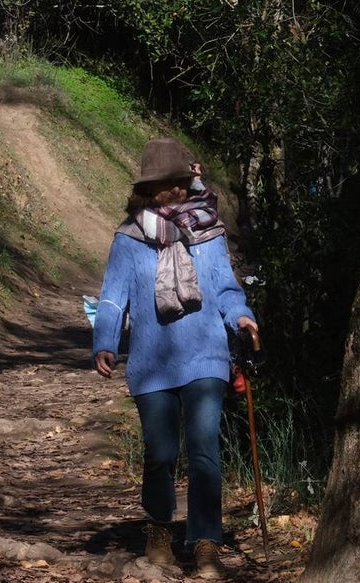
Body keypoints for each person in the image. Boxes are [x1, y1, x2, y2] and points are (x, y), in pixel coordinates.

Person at [92, 137, 259, 580]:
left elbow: (225, 287)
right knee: (160, 454)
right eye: (166, 184)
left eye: (180, 182)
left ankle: (206, 544)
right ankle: (160, 530)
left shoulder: (208, 232)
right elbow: (113, 296)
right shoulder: (128, 239)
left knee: (205, 449)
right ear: (148, 190)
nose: (176, 191)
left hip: (206, 354)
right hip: (151, 360)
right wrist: (105, 340)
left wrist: (241, 317)